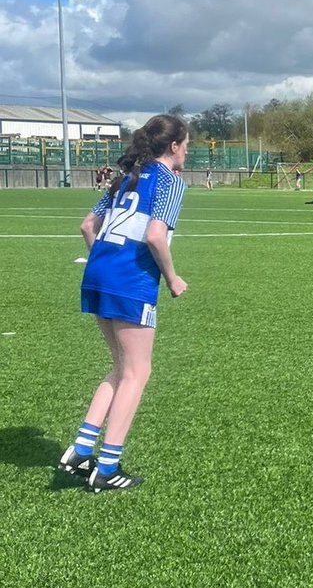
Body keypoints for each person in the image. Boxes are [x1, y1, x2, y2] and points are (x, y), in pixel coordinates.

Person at [58, 114, 191, 493]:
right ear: (173, 146)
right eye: (186, 144)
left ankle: (82, 449)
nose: (188, 151)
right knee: (137, 372)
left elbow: (88, 226)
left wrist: (103, 264)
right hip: (131, 281)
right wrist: (172, 277)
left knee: (119, 367)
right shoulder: (171, 181)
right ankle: (108, 465)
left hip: (98, 274)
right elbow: (154, 234)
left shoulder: (126, 176)